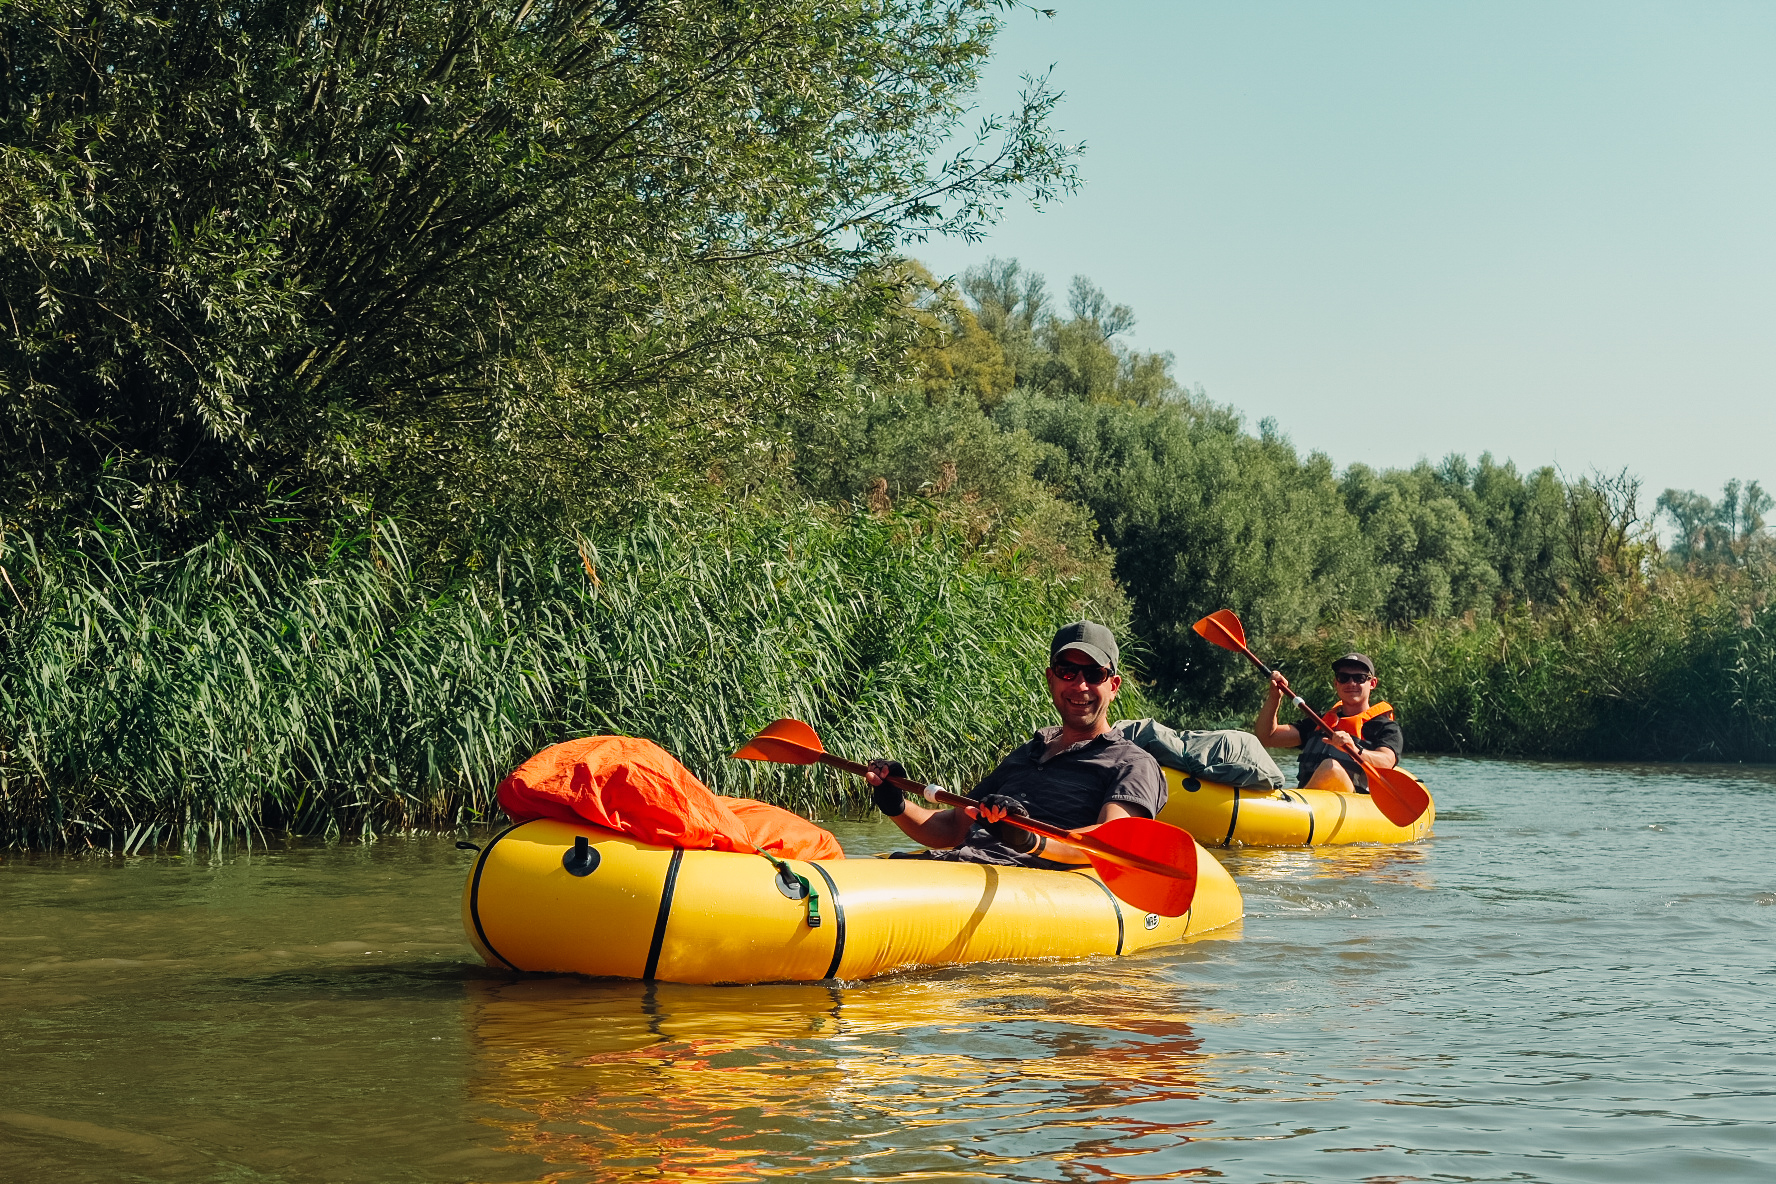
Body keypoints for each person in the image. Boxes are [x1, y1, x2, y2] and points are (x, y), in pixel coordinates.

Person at [863, 621, 1167, 868]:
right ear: (1051, 679)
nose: (1080, 685)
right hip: (963, 868)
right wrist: (896, 804)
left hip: (1025, 888)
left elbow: (1112, 842)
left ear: (1113, 686)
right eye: (1067, 672)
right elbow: (951, 828)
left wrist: (1029, 839)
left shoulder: (1132, 763)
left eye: (1094, 674)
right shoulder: (1028, 753)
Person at [1253, 652, 1403, 793]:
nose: (1351, 683)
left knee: (1331, 768)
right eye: (1343, 677)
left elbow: (1386, 762)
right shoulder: (1319, 721)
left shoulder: (1385, 727)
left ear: (1372, 683)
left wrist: (1354, 749)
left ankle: (1293, 807)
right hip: (1313, 799)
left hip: (1353, 802)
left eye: (1359, 678)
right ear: (1336, 683)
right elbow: (1267, 736)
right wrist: (1274, 697)